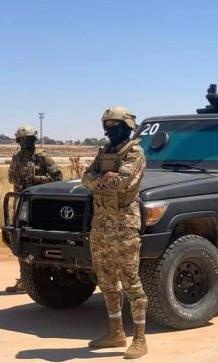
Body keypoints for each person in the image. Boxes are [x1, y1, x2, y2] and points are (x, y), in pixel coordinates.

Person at [81, 106, 148, 359]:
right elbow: (85, 179)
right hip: (101, 226)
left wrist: (100, 178)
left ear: (127, 126)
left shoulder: (135, 152)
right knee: (107, 282)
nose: (109, 130)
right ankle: (116, 333)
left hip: (124, 226)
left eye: (115, 126)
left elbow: (123, 182)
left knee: (131, 282)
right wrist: (102, 177)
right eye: (106, 126)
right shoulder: (104, 152)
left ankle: (140, 339)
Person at [5, 125, 63, 293]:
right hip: (21, 202)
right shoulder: (16, 157)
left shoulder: (42, 157)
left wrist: (36, 179)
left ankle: (33, 278)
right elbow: (11, 176)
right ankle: (25, 277)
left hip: (39, 205)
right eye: (23, 140)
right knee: (19, 241)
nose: (27, 142)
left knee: (36, 241)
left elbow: (58, 178)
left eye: (30, 139)